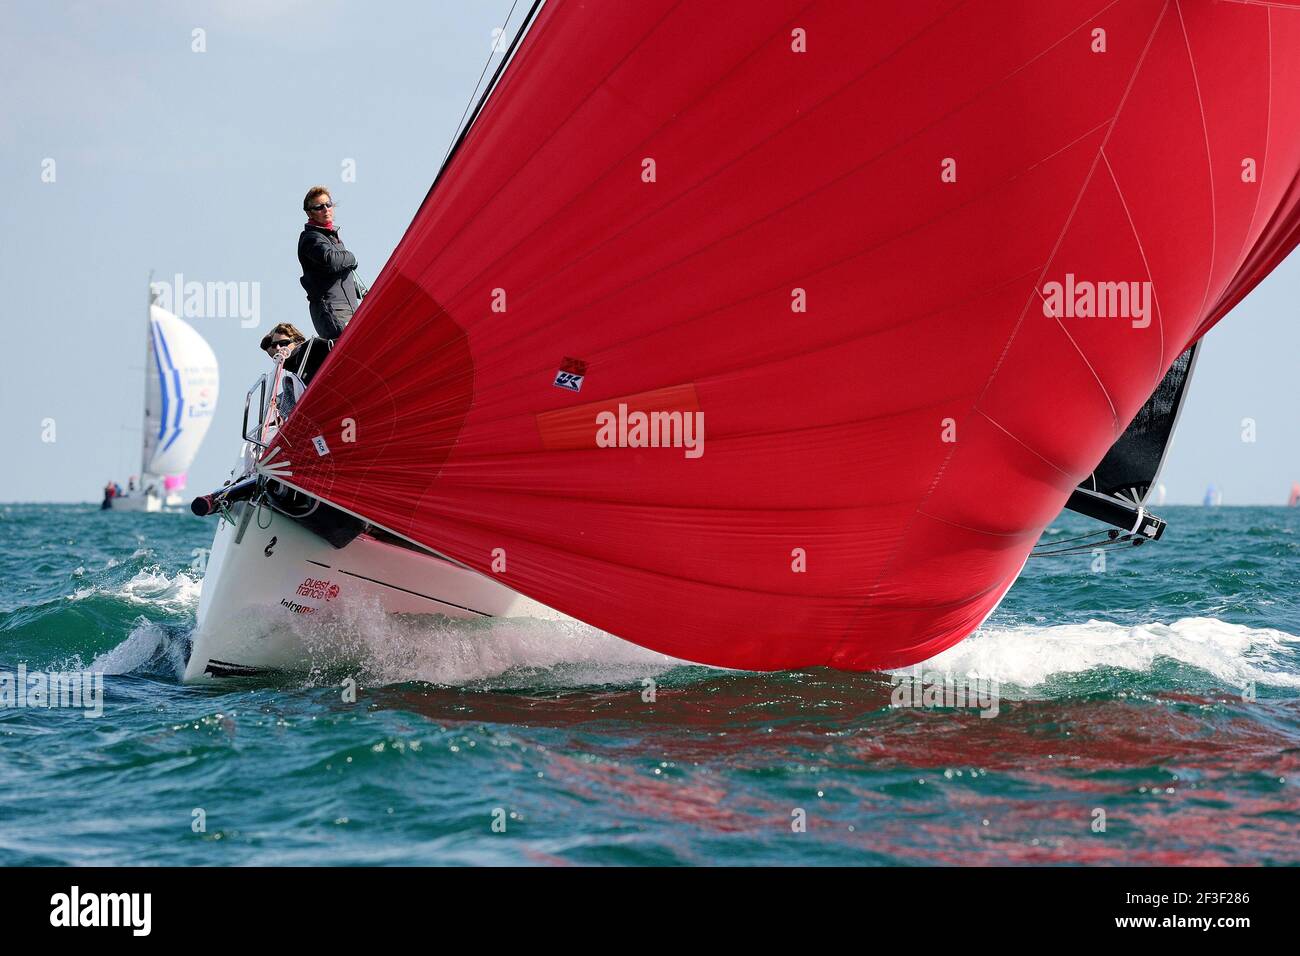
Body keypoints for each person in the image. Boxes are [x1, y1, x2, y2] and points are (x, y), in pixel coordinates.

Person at [297, 186, 362, 340]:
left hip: (349, 309)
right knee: (350, 351)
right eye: (319, 207)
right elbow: (330, 260)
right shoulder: (311, 238)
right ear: (309, 212)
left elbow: (340, 277)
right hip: (333, 310)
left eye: (328, 204)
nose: (325, 209)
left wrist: (362, 292)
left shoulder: (332, 238)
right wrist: (352, 257)